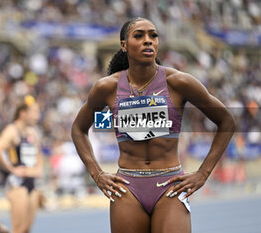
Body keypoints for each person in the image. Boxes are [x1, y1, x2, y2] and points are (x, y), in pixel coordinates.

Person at [71, 17, 235, 233]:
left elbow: (227, 122)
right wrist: (97, 173)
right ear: (124, 45)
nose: (148, 41)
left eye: (153, 35)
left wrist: (203, 173)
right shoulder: (107, 88)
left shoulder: (179, 82)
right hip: (127, 188)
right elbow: (78, 129)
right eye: (139, 36)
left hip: (170, 185)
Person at [0, 95, 43, 233]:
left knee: (26, 229)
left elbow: (39, 152)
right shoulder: (12, 131)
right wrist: (12, 169)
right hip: (17, 184)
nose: (37, 116)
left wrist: (38, 169)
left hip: (32, 183)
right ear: (23, 113)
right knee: (19, 229)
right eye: (34, 112)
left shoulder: (32, 132)